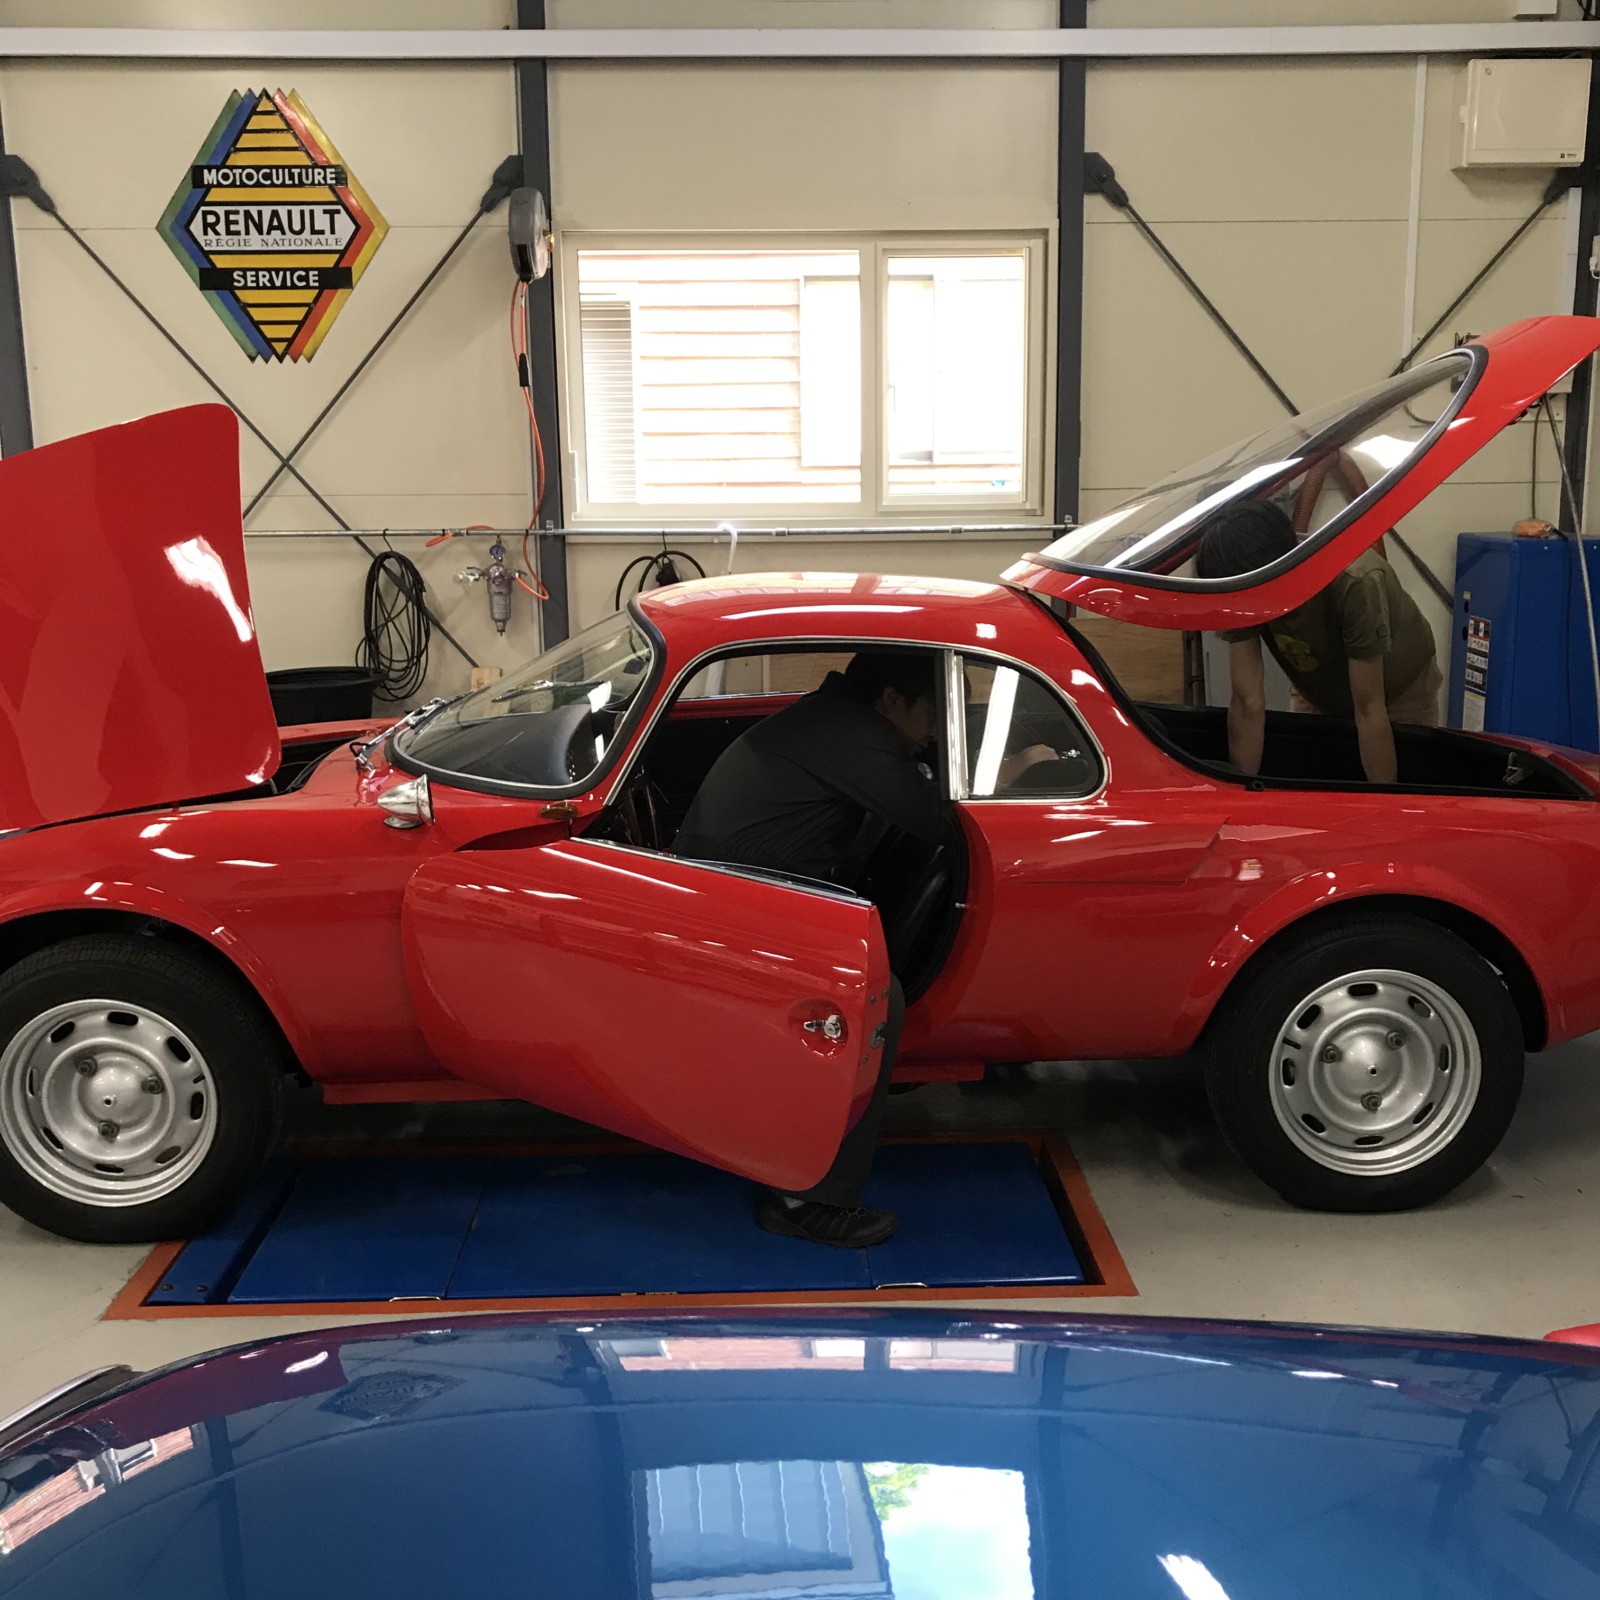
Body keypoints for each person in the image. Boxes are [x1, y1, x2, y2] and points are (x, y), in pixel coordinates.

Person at [672, 650, 962, 1251]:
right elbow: (941, 821)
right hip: (734, 911)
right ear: (891, 701)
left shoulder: (832, 718)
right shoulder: (857, 736)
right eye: (935, 713)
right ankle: (807, 1198)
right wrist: (1023, 767)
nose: (939, 731)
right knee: (875, 1003)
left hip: (738, 893)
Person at [1196, 499, 1443, 785]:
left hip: (1396, 695)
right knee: (1314, 777)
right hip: (1317, 691)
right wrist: (1240, 790)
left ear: (1270, 575)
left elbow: (1369, 708)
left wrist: (1385, 803)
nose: (1239, 608)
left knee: (1405, 781)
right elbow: (1246, 701)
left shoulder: (1356, 581)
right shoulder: (1243, 585)